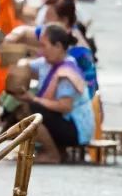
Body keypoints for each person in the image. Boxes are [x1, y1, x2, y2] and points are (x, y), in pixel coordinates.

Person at [16, 23, 93, 164]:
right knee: (27, 106)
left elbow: (65, 107)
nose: (41, 51)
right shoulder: (48, 62)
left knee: (34, 110)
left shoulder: (67, 72)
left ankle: (53, 154)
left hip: (76, 130)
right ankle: (57, 151)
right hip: (65, 122)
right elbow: (26, 65)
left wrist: (34, 99)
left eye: (44, 46)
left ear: (58, 46)